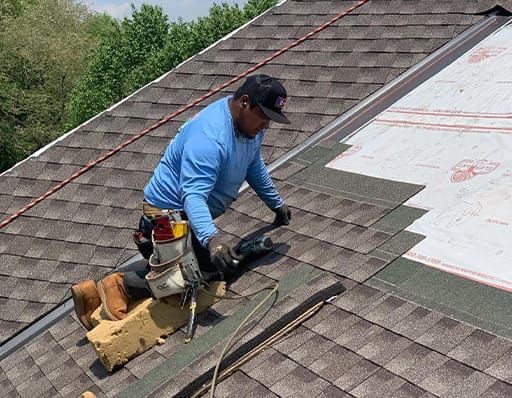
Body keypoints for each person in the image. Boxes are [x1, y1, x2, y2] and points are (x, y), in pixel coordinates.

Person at [71, 74, 292, 330]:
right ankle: (120, 284)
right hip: (164, 221)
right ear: (244, 102)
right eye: (264, 117)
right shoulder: (211, 139)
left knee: (211, 263)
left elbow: (252, 163)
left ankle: (92, 293)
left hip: (183, 219)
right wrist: (213, 241)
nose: (266, 126)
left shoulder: (248, 128)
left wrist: (276, 203)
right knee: (202, 276)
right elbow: (193, 197)